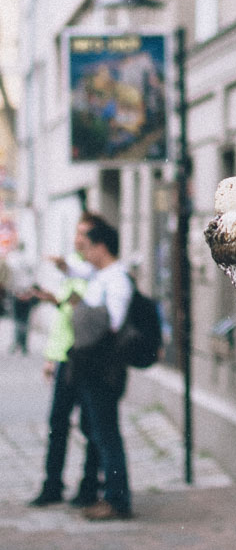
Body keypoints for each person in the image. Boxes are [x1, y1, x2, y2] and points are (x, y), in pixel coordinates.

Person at [27, 213, 103, 508]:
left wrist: (67, 300)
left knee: (90, 425)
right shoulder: (72, 264)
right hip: (65, 357)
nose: (78, 239)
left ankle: (89, 485)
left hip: (87, 357)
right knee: (57, 423)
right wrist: (50, 356)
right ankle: (52, 484)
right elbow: (63, 319)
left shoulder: (94, 268)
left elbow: (87, 310)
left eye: (85, 233)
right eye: (77, 233)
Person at [69, 217, 134, 520]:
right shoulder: (100, 276)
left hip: (103, 369)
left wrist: (83, 314)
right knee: (97, 432)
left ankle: (117, 499)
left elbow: (112, 325)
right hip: (90, 368)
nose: (85, 252)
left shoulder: (116, 279)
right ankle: (104, 494)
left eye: (88, 246)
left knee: (107, 435)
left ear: (102, 247)